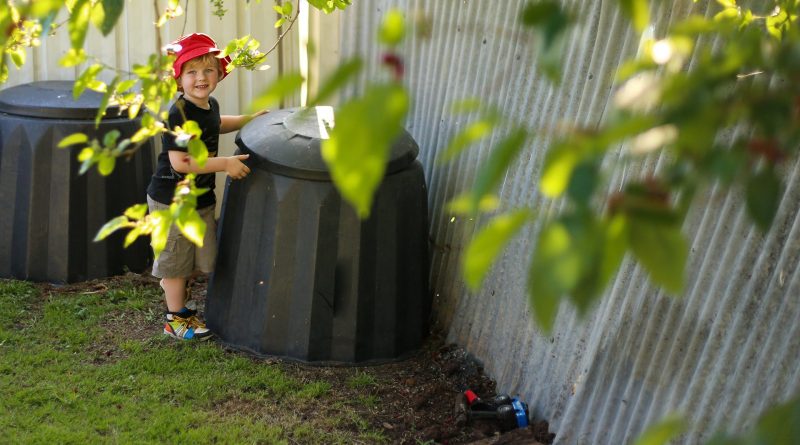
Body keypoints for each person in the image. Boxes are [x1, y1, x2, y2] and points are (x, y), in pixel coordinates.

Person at [146, 32, 262, 340]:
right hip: (172, 200)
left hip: (200, 199)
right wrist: (225, 163)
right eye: (192, 72)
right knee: (175, 263)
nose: (201, 77)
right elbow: (181, 163)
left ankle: (178, 299)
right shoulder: (179, 114)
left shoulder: (208, 105)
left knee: (199, 258)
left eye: (208, 70)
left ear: (219, 74)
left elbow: (218, 123)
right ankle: (175, 319)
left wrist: (249, 119)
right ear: (179, 79)